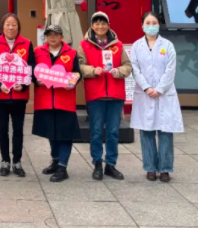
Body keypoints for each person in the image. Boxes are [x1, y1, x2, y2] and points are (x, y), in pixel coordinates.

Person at [129, 11, 184, 182]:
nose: (151, 26)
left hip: (164, 94)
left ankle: (165, 169)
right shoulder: (137, 46)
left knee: (165, 131)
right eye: (148, 23)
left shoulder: (167, 45)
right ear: (142, 25)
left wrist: (159, 89)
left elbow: (170, 69)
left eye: (154, 23)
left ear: (159, 25)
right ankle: (150, 168)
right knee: (146, 132)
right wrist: (146, 87)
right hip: (144, 94)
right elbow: (134, 69)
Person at [79, 11, 132, 181]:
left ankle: (110, 164)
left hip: (116, 95)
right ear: (92, 26)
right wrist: (92, 70)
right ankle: (97, 163)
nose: (100, 26)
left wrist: (119, 71)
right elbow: (79, 65)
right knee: (95, 131)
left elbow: (128, 65)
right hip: (96, 95)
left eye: (103, 23)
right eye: (97, 23)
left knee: (113, 132)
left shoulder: (118, 45)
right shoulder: (84, 45)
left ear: (108, 25)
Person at [32, 25, 82, 183]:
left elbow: (77, 73)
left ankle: (62, 167)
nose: (52, 37)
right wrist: (36, 81)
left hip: (64, 101)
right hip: (45, 100)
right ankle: (55, 160)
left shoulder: (71, 53)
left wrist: (72, 82)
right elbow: (32, 72)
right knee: (51, 133)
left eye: (55, 34)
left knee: (65, 135)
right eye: (49, 35)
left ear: (62, 37)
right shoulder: (38, 52)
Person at [0, 13, 33, 177]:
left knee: (18, 130)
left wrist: (25, 84)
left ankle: (17, 161)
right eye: (7, 24)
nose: (11, 27)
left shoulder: (26, 44)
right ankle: (5, 161)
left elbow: (31, 66)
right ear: (2, 27)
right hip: (0, 95)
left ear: (18, 27)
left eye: (14, 24)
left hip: (19, 96)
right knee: (2, 129)